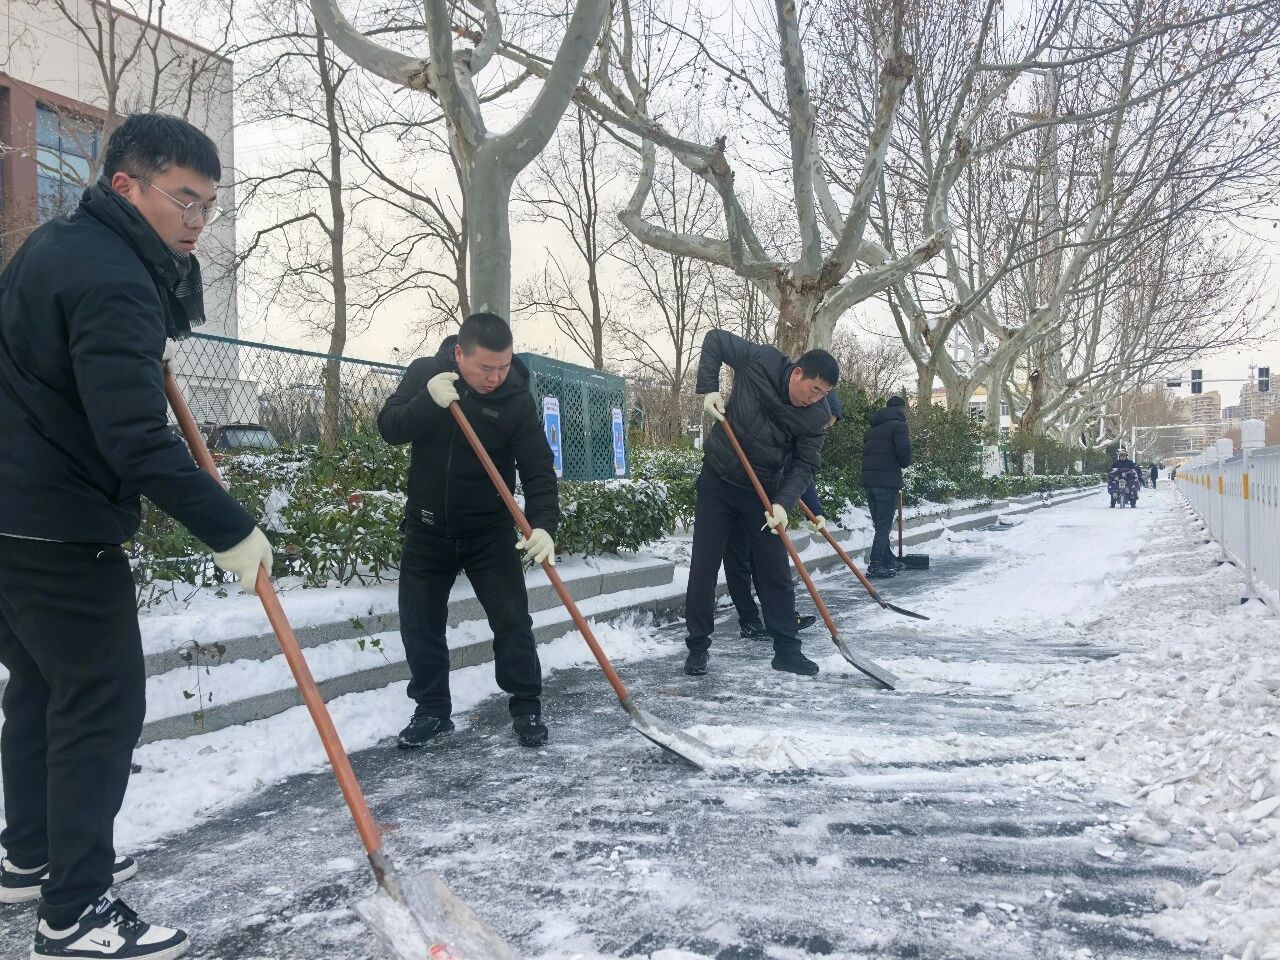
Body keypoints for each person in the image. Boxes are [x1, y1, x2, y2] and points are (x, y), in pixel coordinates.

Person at [0, 114, 272, 959]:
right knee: (100, 705)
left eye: (208, 206)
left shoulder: (55, 248)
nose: (197, 221)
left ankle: (30, 854)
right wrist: (231, 528)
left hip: (10, 516)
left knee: (42, 687)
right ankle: (74, 912)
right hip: (56, 526)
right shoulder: (115, 278)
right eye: (184, 200)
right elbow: (136, 440)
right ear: (126, 185)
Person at [379, 313, 559, 750]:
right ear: (460, 354)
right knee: (420, 624)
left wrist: (543, 525)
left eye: (504, 366)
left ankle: (526, 705)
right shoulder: (426, 374)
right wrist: (427, 402)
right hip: (427, 530)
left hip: (488, 532)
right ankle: (432, 711)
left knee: (512, 620)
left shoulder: (515, 397)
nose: (496, 377)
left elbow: (538, 467)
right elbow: (390, 427)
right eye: (485, 368)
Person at [684, 329, 838, 679]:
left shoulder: (815, 416)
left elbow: (805, 465)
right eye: (815, 389)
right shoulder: (761, 360)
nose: (816, 399)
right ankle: (697, 646)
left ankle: (787, 650)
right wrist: (709, 388)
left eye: (824, 394)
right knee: (704, 565)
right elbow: (715, 340)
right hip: (718, 479)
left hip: (763, 492)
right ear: (798, 373)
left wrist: (784, 502)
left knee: (775, 570)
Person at [725, 392, 842, 641]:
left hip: (767, 505)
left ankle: (782, 616)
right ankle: (749, 621)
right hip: (734, 495)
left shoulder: (803, 436)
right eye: (823, 423)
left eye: (827, 426)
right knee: (739, 562)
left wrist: (816, 513)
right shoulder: (776, 423)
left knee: (770, 563)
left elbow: (803, 475)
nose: (822, 430)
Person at [861, 396, 913, 579]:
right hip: (887, 483)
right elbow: (904, 456)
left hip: (870, 483)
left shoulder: (872, 429)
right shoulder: (899, 427)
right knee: (884, 526)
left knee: (880, 524)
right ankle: (875, 565)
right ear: (901, 409)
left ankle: (888, 559)